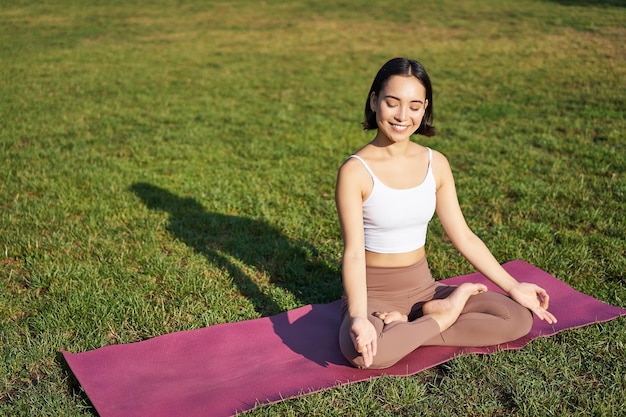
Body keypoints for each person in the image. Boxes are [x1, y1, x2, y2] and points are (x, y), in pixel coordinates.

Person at [336, 58, 557, 369]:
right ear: (374, 102)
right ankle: (442, 316)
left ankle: (423, 317)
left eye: (414, 106)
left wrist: (512, 286)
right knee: (364, 354)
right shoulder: (355, 171)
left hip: (424, 288)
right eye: (392, 103)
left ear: (425, 108)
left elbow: (464, 235)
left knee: (518, 318)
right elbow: (354, 253)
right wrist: (359, 316)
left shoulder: (435, 163)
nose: (402, 116)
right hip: (374, 293)